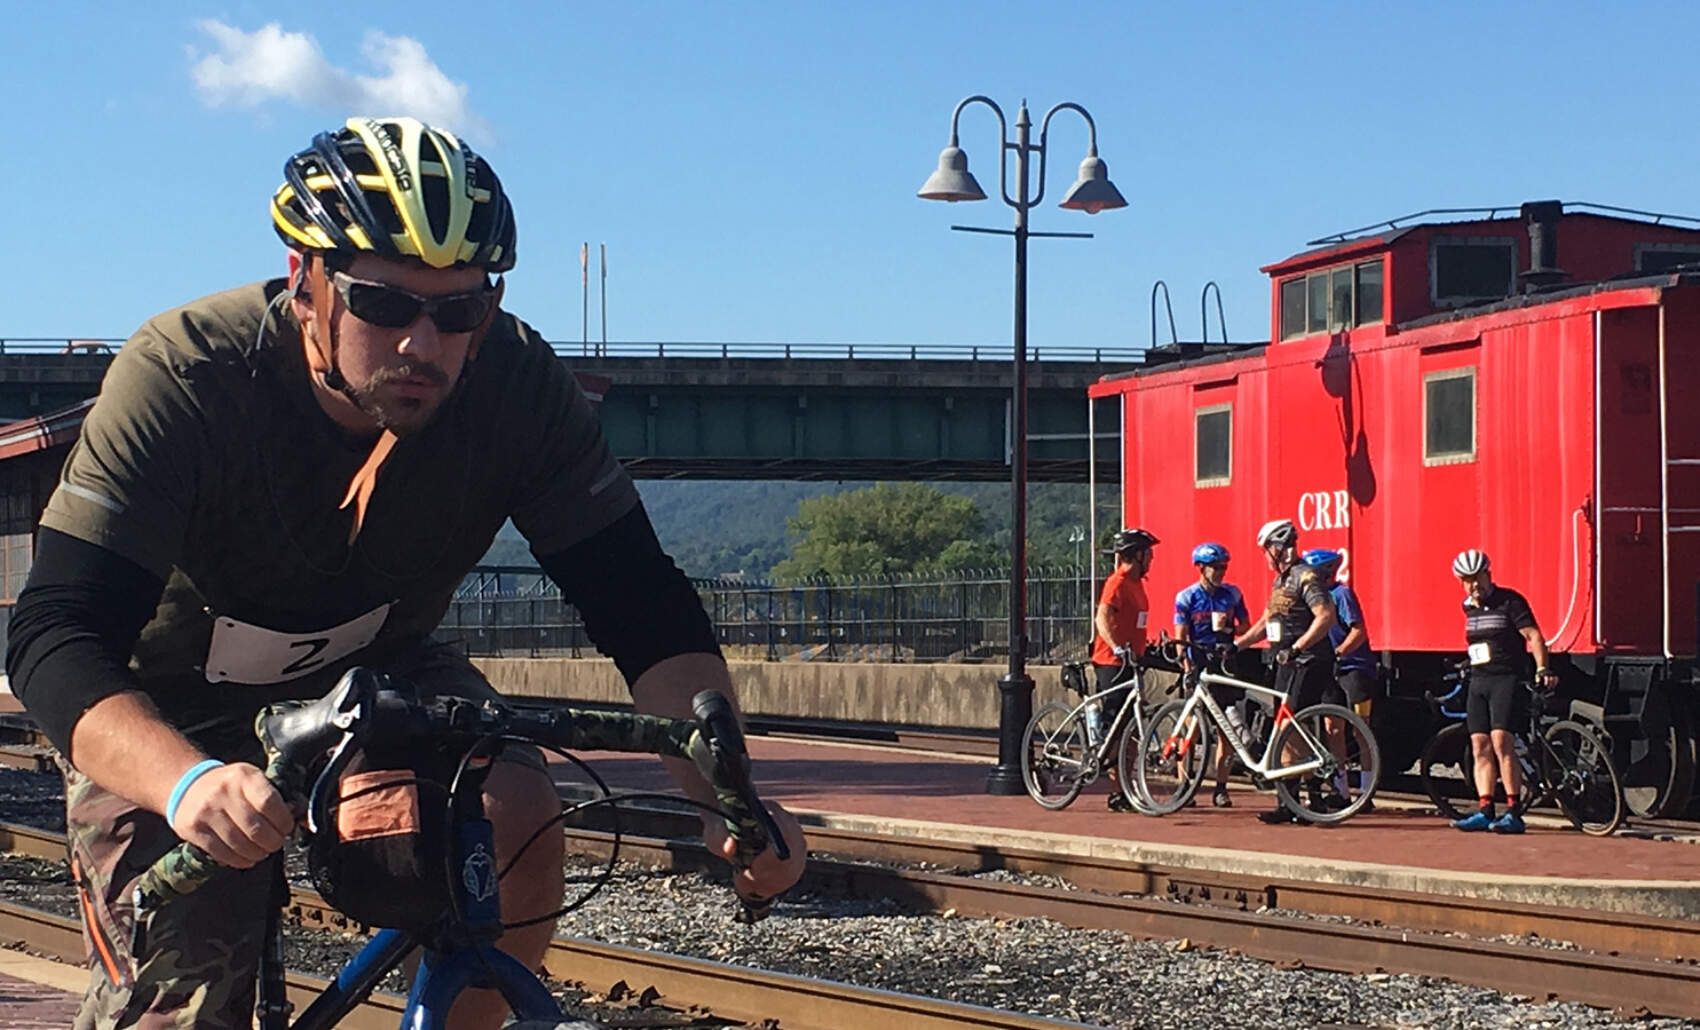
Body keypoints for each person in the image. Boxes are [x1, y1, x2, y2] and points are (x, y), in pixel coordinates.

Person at [5, 116, 805, 1030]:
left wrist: (726, 798)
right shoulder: (184, 376)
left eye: (460, 310)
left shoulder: (516, 388)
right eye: (385, 304)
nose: (424, 344)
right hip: (170, 704)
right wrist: (188, 784)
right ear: (306, 282)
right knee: (182, 1007)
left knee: (519, 807)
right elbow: (55, 636)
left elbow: (642, 605)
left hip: (375, 682)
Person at [1233, 518, 1343, 824]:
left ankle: (1306, 801)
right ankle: (1294, 803)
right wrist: (1238, 645)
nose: (1265, 557)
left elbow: (1325, 617)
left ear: (1278, 548)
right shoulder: (1281, 581)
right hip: (1286, 663)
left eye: (1266, 549)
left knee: (1288, 729)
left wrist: (1298, 647)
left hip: (1306, 662)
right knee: (1290, 729)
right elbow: (1266, 622)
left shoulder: (1305, 576)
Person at [1448, 549, 1559, 834]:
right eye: (1468, 580)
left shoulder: (1510, 601)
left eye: (1479, 578)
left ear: (1489, 574)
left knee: (1501, 742)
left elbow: (1533, 635)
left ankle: (1513, 811)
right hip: (1479, 681)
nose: (1475, 585)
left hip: (1505, 679)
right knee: (1479, 746)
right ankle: (1485, 808)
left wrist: (1542, 668)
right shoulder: (1468, 607)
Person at [1172, 541, 1250, 807]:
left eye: (1224, 567)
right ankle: (1184, 785)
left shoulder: (1233, 594)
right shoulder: (1186, 597)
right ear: (1201, 568)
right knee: (1192, 729)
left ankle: (1221, 787)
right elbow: (1180, 638)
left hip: (1224, 665)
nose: (1221, 572)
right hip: (1198, 667)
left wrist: (1230, 629)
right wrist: (1186, 668)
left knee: (1225, 730)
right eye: (1216, 567)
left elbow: (1246, 627)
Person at [1302, 548, 1377, 811]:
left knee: (1361, 730)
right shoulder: (1313, 599)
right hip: (1328, 670)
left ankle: (1366, 794)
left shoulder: (1341, 595)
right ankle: (1341, 791)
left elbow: (1359, 631)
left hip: (1354, 669)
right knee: (1333, 730)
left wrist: (1340, 652)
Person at [1091, 527, 1158, 812]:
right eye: (1149, 553)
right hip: (1112, 662)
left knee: (1131, 728)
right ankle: (1116, 789)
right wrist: (1117, 646)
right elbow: (1102, 618)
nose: (1152, 558)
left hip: (1133, 660)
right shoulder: (1116, 582)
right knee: (1116, 727)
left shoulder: (1138, 583)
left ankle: (1125, 787)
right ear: (1137, 555)